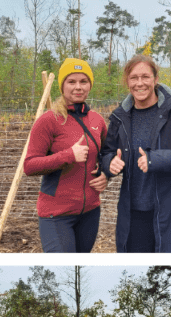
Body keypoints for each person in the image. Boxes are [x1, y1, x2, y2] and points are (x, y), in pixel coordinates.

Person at [99, 55, 171, 253]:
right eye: (134, 78)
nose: (140, 83)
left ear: (156, 79)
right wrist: (109, 164)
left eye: (145, 77)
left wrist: (154, 159)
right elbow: (107, 152)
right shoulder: (120, 117)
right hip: (135, 212)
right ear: (127, 81)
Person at [23, 58, 109, 253]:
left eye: (83, 81)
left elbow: (104, 155)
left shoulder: (97, 120)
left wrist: (105, 175)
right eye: (72, 82)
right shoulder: (48, 121)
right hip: (56, 214)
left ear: (90, 85)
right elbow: (29, 166)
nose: (78, 87)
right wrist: (68, 155)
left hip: (90, 212)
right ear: (62, 86)